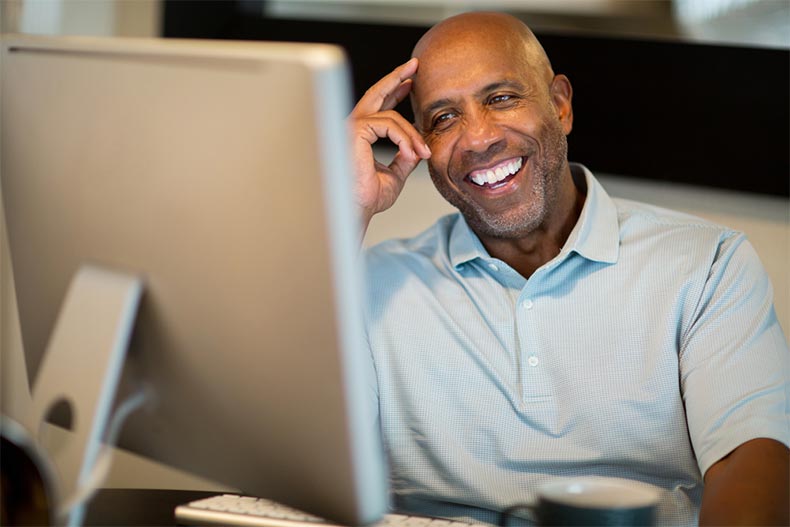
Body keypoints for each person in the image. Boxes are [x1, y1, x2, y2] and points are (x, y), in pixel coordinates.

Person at [348, 11, 789, 527]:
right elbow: (284, 448)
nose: (477, 138)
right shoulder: (367, 282)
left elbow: (752, 460)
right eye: (444, 118)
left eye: (501, 98)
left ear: (560, 106)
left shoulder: (707, 265)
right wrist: (343, 208)